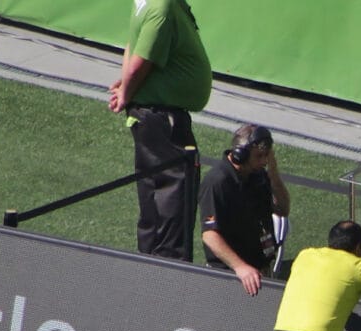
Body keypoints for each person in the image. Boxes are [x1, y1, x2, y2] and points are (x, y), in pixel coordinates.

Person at [108, 0, 212, 262]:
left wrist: (126, 91)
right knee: (173, 203)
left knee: (155, 200)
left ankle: (149, 265)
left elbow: (134, 46)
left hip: (154, 119)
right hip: (164, 121)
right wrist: (127, 93)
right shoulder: (161, 8)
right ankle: (167, 274)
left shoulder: (146, 3)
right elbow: (141, 60)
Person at [198, 124, 291, 295]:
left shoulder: (258, 175)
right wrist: (241, 267)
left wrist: (273, 173)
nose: (264, 162)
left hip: (258, 271)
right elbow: (210, 235)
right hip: (232, 275)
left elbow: (283, 209)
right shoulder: (217, 182)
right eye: (259, 156)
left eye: (266, 156)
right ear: (241, 154)